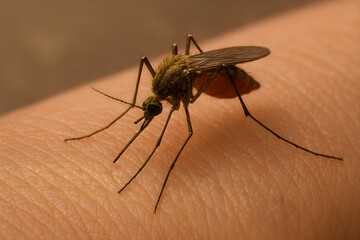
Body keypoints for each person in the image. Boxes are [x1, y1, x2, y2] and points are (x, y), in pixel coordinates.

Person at [0, 1, 358, 239]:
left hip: (220, 76)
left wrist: (158, 165)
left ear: (161, 99)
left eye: (148, 110)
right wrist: (128, 113)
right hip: (195, 75)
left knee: (185, 121)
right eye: (148, 110)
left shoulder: (171, 94)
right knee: (176, 48)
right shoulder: (158, 88)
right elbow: (154, 97)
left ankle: (253, 116)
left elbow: (181, 131)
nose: (149, 114)